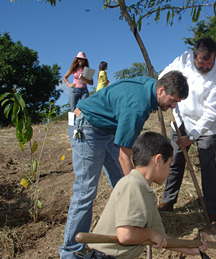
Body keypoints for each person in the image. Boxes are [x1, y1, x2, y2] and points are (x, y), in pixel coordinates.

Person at [59, 71, 189, 259]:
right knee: (86, 190)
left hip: (108, 129)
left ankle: (127, 228)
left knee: (122, 183)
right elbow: (124, 157)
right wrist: (138, 189)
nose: (173, 106)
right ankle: (70, 251)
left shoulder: (150, 87)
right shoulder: (137, 106)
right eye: (173, 100)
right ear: (161, 90)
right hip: (88, 126)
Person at [85, 132, 207, 259]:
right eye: (169, 164)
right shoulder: (132, 184)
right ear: (158, 160)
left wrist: (191, 249)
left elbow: (160, 237)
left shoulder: (147, 193)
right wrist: (150, 233)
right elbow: (126, 235)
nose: (170, 171)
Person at [158, 38, 216, 224]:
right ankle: (168, 201)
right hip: (181, 120)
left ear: (214, 58)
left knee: (207, 167)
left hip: (207, 127)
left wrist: (193, 136)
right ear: (193, 56)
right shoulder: (184, 60)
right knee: (175, 161)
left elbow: (212, 112)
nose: (205, 67)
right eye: (201, 63)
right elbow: (164, 76)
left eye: (208, 63)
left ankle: (212, 211)